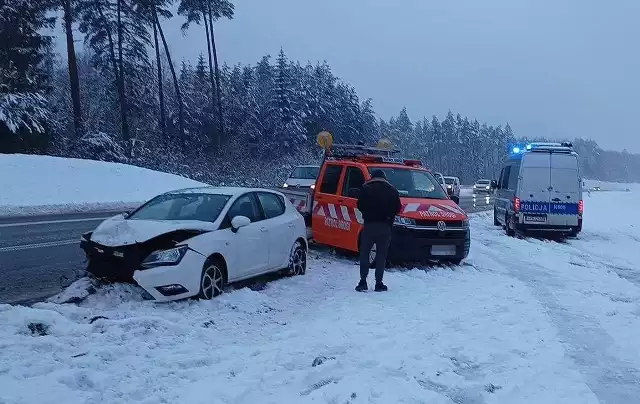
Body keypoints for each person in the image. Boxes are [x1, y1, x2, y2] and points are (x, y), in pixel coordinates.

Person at [355, 169, 402, 292]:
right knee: (381, 255)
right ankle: (379, 283)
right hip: (385, 227)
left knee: (365, 254)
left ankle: (363, 281)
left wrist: (368, 213)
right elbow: (398, 208)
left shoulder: (366, 188)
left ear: (373, 177)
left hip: (369, 226)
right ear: (384, 178)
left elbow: (359, 205)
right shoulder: (392, 190)